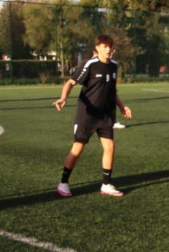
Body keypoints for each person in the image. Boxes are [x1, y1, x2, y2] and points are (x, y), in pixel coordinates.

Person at [53, 34, 132, 197]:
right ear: (97, 48)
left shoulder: (114, 66)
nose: (108, 49)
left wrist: (122, 106)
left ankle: (106, 184)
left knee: (109, 147)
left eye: (110, 46)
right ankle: (63, 184)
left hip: (106, 115)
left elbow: (112, 91)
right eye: (105, 46)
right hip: (87, 115)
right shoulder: (89, 64)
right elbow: (70, 83)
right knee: (78, 148)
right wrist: (63, 98)